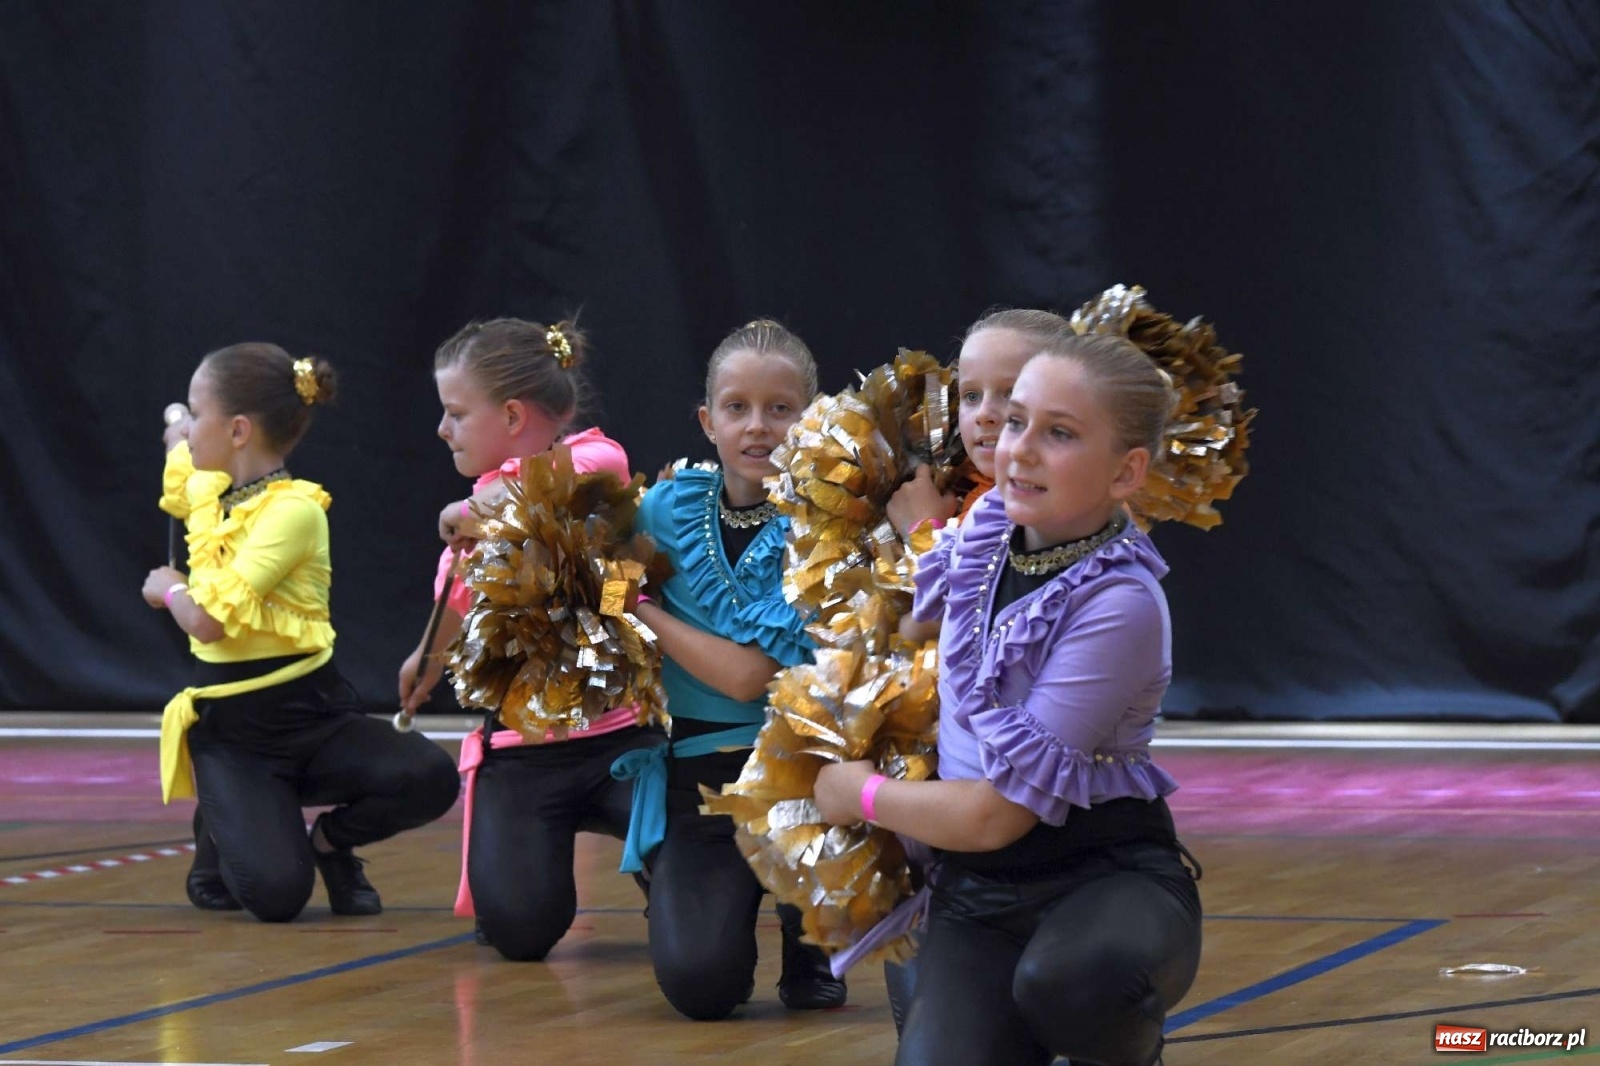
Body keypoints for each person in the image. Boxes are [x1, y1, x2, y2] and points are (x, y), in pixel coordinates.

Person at [814, 332, 1202, 1066]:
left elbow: (995, 815)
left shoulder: (1122, 603)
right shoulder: (986, 528)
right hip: (980, 895)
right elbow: (909, 625)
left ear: (1127, 473)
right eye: (1016, 420)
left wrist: (858, 794)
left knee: (1070, 982)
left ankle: (1128, 1051)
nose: (1017, 446)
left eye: (1059, 433)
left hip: (1106, 880)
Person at [147, 343, 460, 923]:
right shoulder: (203, 485)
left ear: (239, 429)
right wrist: (177, 438)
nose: (189, 425)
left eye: (197, 412)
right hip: (233, 733)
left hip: (313, 717)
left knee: (431, 777)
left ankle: (330, 844)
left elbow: (209, 624)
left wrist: (168, 588)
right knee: (276, 898)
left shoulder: (293, 512)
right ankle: (226, 819)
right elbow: (179, 465)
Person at [398, 317, 665, 961]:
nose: (442, 429)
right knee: (520, 933)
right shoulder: (476, 521)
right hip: (523, 754)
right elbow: (454, 609)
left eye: (456, 413)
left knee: (688, 860)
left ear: (514, 415)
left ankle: (675, 883)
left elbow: (547, 489)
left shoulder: (598, 459)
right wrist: (425, 663)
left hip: (622, 740)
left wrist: (467, 513)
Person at [613, 319, 848, 1020]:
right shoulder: (662, 506)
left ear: (813, 417)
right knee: (700, 990)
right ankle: (706, 896)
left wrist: (645, 613)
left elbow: (750, 679)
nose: (759, 427)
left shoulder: (827, 523)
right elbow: (609, 593)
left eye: (781, 408)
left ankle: (809, 937)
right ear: (706, 420)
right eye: (737, 408)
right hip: (700, 775)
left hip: (803, 775)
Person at [887, 308, 1071, 536]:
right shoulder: (960, 486)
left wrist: (922, 530)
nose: (983, 414)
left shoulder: (1064, 510)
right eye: (972, 396)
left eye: (1011, 393)